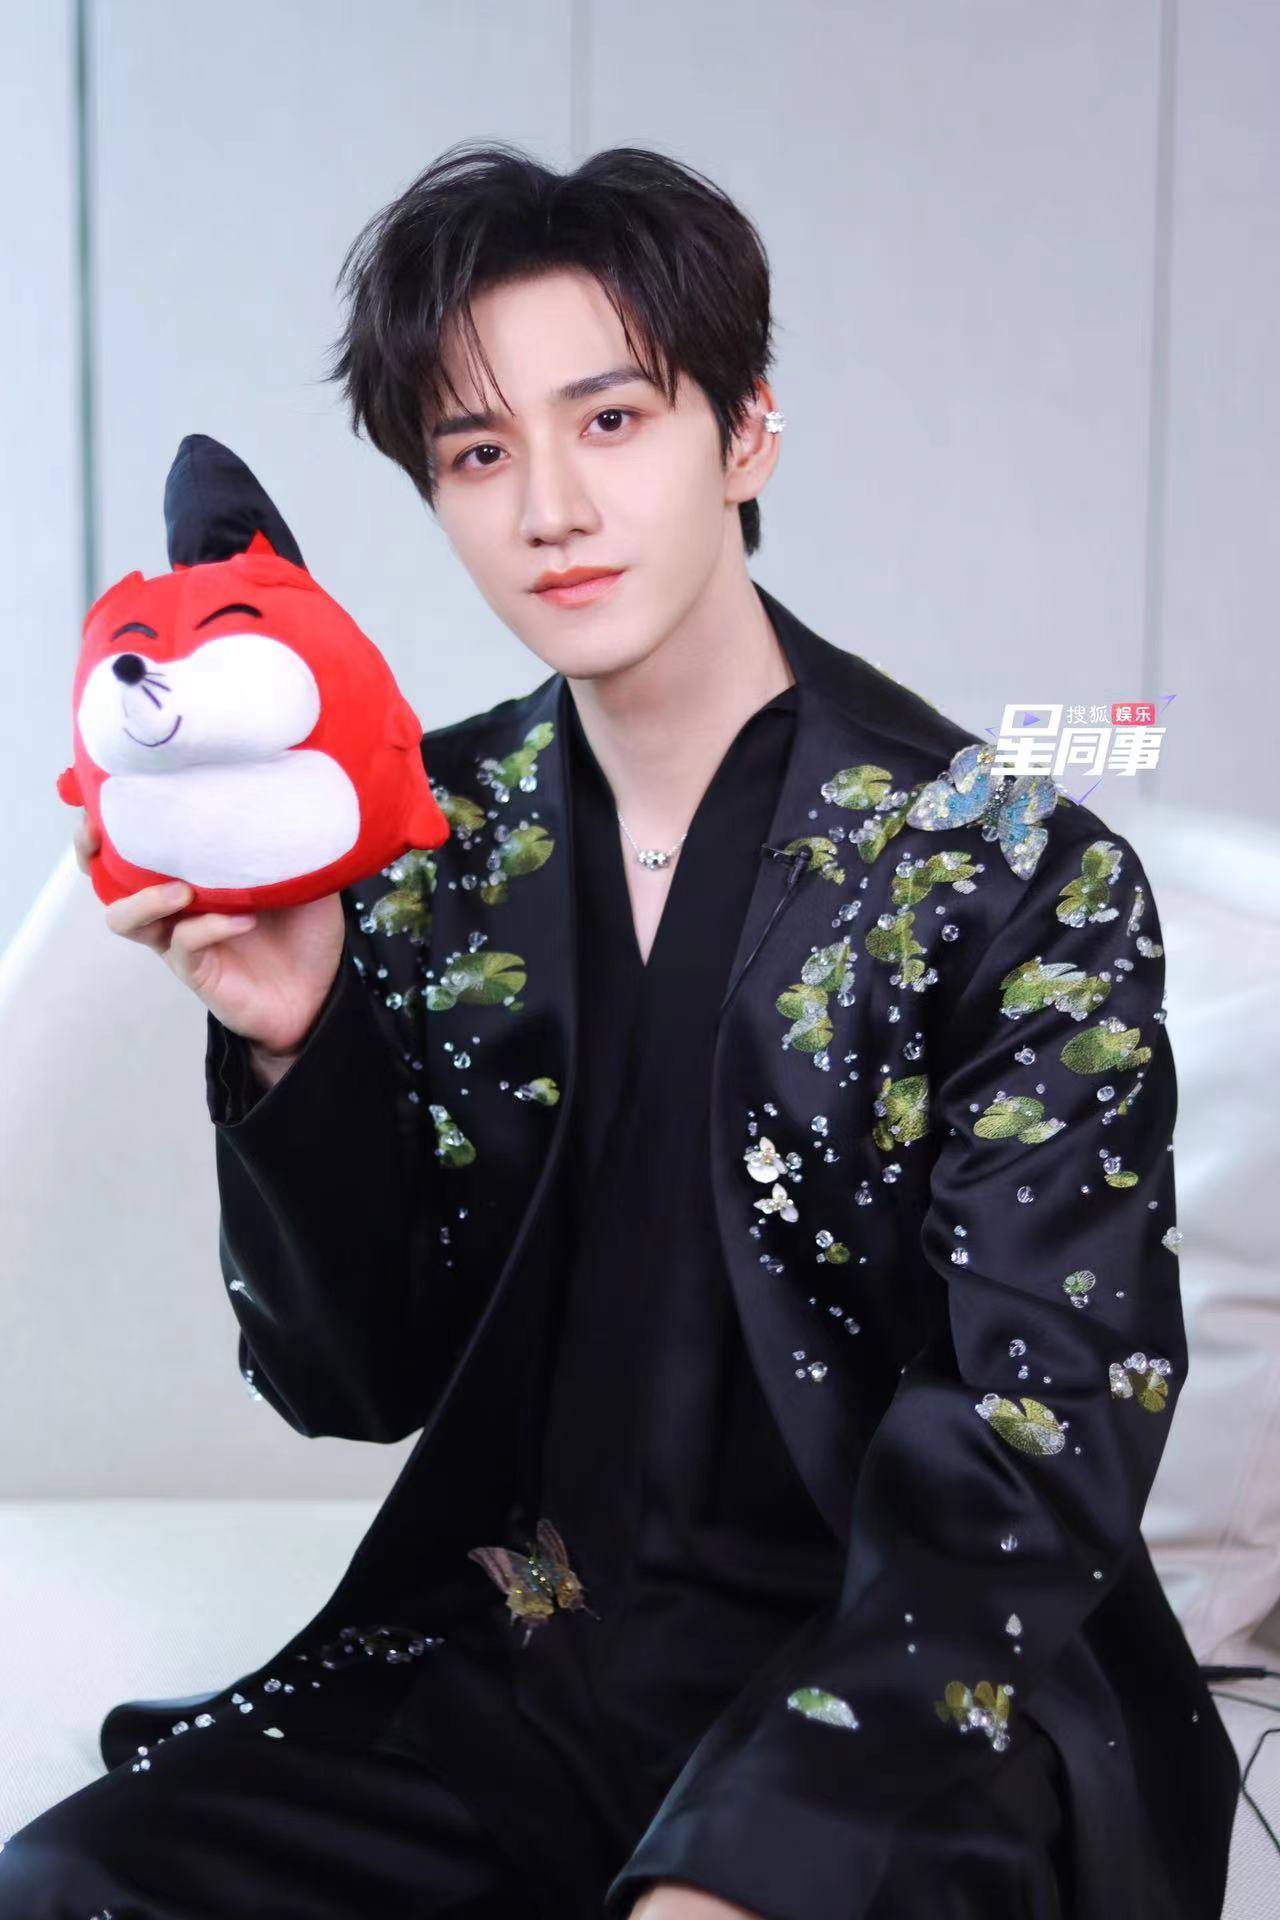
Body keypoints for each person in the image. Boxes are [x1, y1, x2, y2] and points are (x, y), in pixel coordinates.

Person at [0, 142, 1239, 1920]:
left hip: (914, 1690)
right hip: (532, 1659)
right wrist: (297, 1042)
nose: (552, 509)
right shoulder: (422, 848)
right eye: (478, 453)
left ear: (745, 435)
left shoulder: (1014, 869)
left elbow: (1045, 1425)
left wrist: (768, 1843)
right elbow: (355, 1383)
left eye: (612, 419)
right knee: (73, 1886)